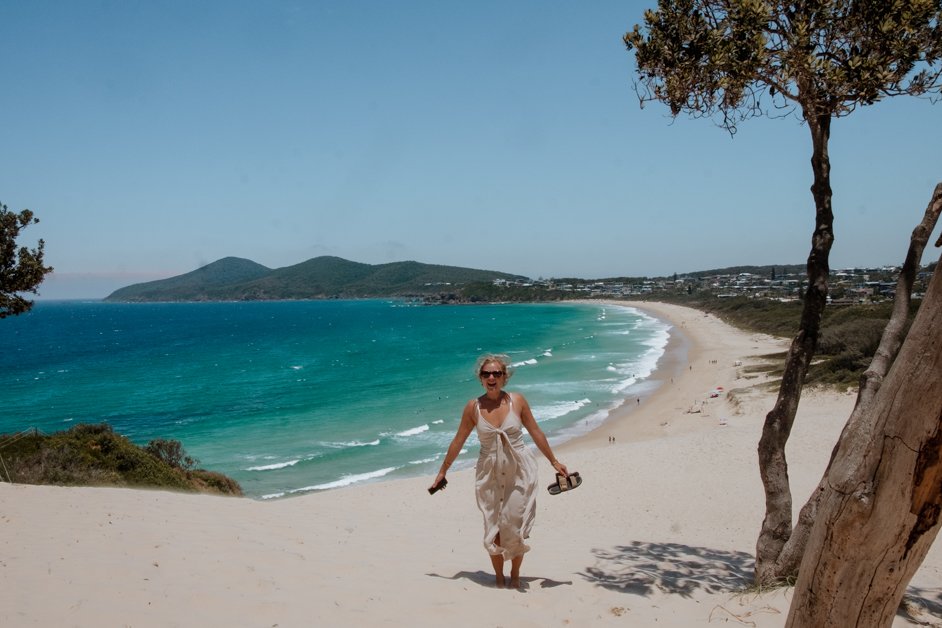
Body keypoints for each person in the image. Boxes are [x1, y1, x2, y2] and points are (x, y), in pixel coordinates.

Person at [430, 353, 569, 589]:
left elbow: (536, 432)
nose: (491, 377)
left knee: (514, 527)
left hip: (519, 470)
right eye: (486, 374)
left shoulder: (518, 401)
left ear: (505, 377)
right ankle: (499, 578)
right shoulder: (473, 408)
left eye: (497, 373)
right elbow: (458, 440)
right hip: (489, 473)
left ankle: (515, 575)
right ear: (481, 379)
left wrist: (555, 462)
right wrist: (443, 470)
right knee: (493, 529)